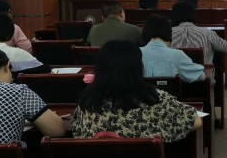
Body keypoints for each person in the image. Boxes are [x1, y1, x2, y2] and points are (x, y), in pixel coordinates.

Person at [72, 40, 201, 142]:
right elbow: (195, 121)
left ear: (100, 69)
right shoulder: (155, 99)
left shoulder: (88, 102)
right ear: (138, 67)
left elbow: (76, 131)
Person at [141, 14, 205, 82]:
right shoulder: (177, 55)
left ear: (145, 33)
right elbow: (201, 76)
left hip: (142, 89)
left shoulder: (136, 53)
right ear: (168, 33)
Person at [171, 0, 227, 64]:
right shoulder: (208, 33)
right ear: (194, 15)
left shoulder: (168, 33)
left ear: (173, 16)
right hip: (202, 70)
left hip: (174, 70)